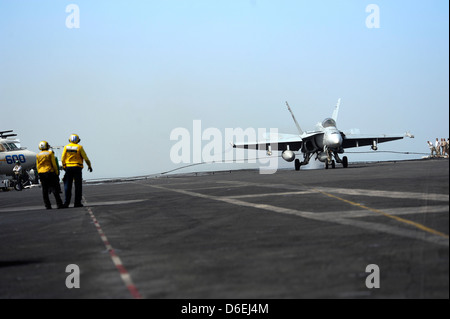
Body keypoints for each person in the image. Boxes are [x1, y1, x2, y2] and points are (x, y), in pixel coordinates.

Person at [61, 134, 93, 208]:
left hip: (68, 168)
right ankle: (77, 203)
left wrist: (64, 166)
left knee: (67, 186)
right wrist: (89, 166)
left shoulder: (66, 147)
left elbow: (63, 158)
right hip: (77, 167)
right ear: (78, 140)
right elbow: (86, 158)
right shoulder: (79, 147)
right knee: (78, 186)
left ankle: (66, 203)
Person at [36, 141, 64, 209]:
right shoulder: (50, 153)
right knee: (54, 189)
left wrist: (38, 174)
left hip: (41, 173)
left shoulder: (38, 155)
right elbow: (54, 164)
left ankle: (47, 205)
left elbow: (38, 165)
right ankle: (59, 204)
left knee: (45, 191)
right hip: (50, 172)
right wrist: (56, 173)